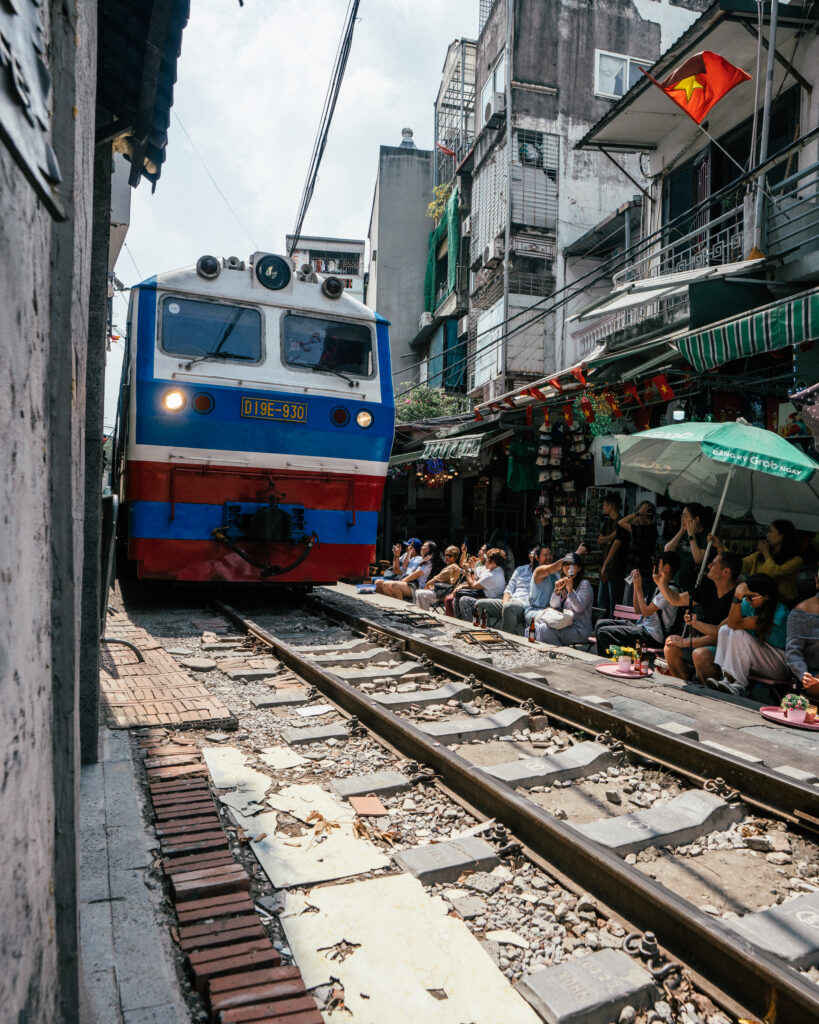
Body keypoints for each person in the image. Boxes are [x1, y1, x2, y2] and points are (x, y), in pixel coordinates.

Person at [660, 551, 741, 683]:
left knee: (700, 655)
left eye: (713, 564)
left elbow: (719, 636)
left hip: (726, 649)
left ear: (726, 572)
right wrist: (661, 582)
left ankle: (712, 694)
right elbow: (676, 600)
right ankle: (685, 687)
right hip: (704, 642)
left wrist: (686, 641)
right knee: (670, 647)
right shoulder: (708, 586)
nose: (708, 566)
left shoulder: (738, 596)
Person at [705, 573, 790, 696]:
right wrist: (739, 597)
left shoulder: (780, 613)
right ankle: (726, 679)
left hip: (779, 664)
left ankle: (740, 684)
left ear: (766, 596)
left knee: (738, 633)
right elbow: (729, 624)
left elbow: (734, 624)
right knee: (724, 630)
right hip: (759, 658)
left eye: (751, 597)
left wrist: (737, 596)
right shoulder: (748, 602)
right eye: (746, 597)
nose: (747, 600)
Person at [595, 551, 681, 657]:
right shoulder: (658, 588)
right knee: (600, 624)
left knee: (604, 632)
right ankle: (616, 658)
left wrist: (639, 587)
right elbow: (637, 610)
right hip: (642, 628)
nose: (654, 567)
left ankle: (608, 662)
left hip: (653, 635)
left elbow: (645, 612)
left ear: (666, 568)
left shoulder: (670, 590)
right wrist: (636, 586)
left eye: (657, 564)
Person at [709, 520, 802, 604]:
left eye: (771, 532)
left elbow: (771, 574)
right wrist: (720, 546)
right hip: (756, 600)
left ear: (781, 536)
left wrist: (766, 553)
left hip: (781, 602)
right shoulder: (759, 555)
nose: (767, 535)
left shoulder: (796, 560)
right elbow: (740, 565)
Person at [534, 553, 594, 647]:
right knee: (537, 627)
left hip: (578, 629)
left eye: (572, 564)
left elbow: (579, 608)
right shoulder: (563, 581)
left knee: (544, 630)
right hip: (563, 623)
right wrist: (557, 591)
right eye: (565, 564)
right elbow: (554, 606)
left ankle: (557, 651)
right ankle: (554, 651)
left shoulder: (584, 585)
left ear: (579, 568)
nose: (568, 567)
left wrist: (570, 591)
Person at [475, 547, 538, 634]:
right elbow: (508, 589)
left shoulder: (546, 573)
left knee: (509, 608)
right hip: (511, 601)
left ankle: (505, 640)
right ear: (529, 556)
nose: (535, 557)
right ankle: (485, 634)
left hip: (524, 605)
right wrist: (505, 603)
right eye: (533, 555)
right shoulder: (520, 569)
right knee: (480, 604)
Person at [664, 503, 714, 592]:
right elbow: (667, 550)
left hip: (694, 585)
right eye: (682, 516)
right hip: (677, 582)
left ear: (696, 520)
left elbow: (698, 559)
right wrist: (681, 531)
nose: (682, 520)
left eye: (685, 516)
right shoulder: (683, 534)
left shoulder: (707, 537)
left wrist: (691, 536)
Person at [785, 571, 819, 696]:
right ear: (817, 582)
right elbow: (793, 654)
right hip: (811, 676)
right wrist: (804, 675)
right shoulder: (801, 613)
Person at [597, 492, 628, 616]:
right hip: (605, 568)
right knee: (601, 601)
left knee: (614, 602)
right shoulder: (608, 522)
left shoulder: (622, 522)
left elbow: (616, 544)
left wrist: (609, 539)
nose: (604, 508)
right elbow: (600, 539)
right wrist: (612, 536)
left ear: (611, 505)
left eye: (605, 505)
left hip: (615, 568)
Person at [454, 548, 507, 622]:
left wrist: (467, 571)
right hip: (485, 594)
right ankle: (458, 621)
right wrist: (472, 568)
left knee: (464, 600)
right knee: (458, 593)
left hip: (491, 600)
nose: (485, 561)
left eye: (487, 558)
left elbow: (472, 585)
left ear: (493, 562)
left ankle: (466, 624)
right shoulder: (496, 569)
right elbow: (476, 579)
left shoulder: (492, 575)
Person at [618, 501, 659, 597]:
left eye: (639, 515)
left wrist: (638, 513)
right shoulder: (645, 529)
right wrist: (639, 513)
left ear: (645, 515)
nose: (637, 518)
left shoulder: (646, 531)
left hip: (640, 574)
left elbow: (621, 522)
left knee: (630, 605)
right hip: (635, 573)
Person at [414, 546, 463, 611]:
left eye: (450, 556)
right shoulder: (449, 566)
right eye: (446, 555)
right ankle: (419, 613)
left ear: (455, 557)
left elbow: (439, 577)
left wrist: (428, 583)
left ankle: (424, 614)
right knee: (418, 592)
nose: (447, 557)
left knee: (421, 594)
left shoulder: (453, 567)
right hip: (440, 591)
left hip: (445, 593)